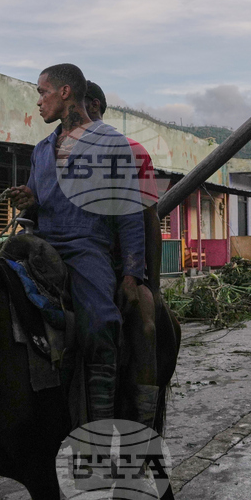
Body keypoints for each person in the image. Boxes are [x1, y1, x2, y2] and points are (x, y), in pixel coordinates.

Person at [10, 64, 145, 424]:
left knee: (101, 320)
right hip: (37, 242)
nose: (38, 102)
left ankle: (101, 419)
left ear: (65, 92)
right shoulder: (41, 149)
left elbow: (129, 212)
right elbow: (37, 199)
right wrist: (28, 198)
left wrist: (132, 274)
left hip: (84, 247)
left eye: (42, 92)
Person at [84, 80, 160, 427]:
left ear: (96, 106)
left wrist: (146, 283)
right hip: (67, 258)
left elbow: (146, 219)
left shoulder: (132, 152)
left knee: (145, 325)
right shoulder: (53, 150)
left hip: (115, 264)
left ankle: (143, 420)